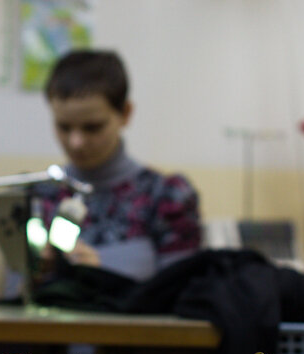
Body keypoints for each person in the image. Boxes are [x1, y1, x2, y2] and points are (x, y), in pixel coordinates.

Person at [34, 49, 202, 281]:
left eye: (92, 127)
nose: (76, 142)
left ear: (125, 113)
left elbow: (182, 294)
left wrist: (104, 277)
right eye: (64, 127)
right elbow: (10, 297)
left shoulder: (165, 198)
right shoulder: (39, 197)